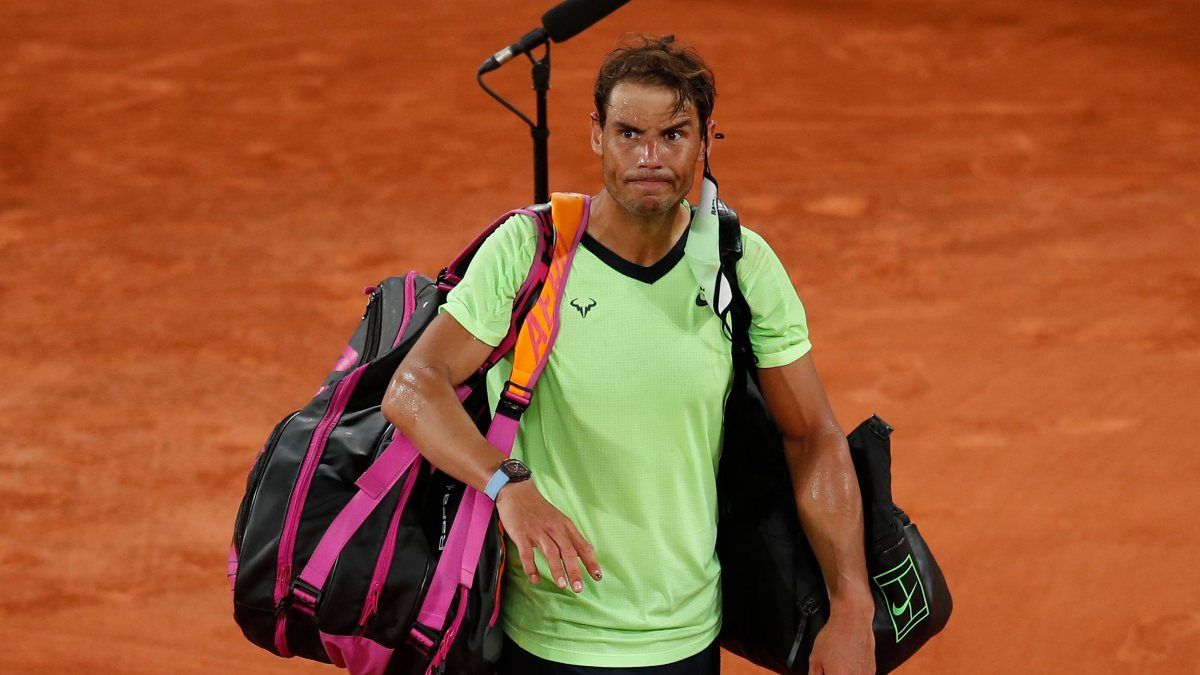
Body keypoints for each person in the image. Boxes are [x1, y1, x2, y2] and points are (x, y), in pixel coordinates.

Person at [383, 34, 875, 675]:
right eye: (628, 133)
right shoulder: (530, 250)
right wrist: (507, 483)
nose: (650, 157)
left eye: (673, 135)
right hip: (546, 642)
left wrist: (852, 605)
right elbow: (415, 386)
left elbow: (813, 435)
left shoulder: (740, 264)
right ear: (597, 134)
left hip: (687, 639)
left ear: (706, 140)